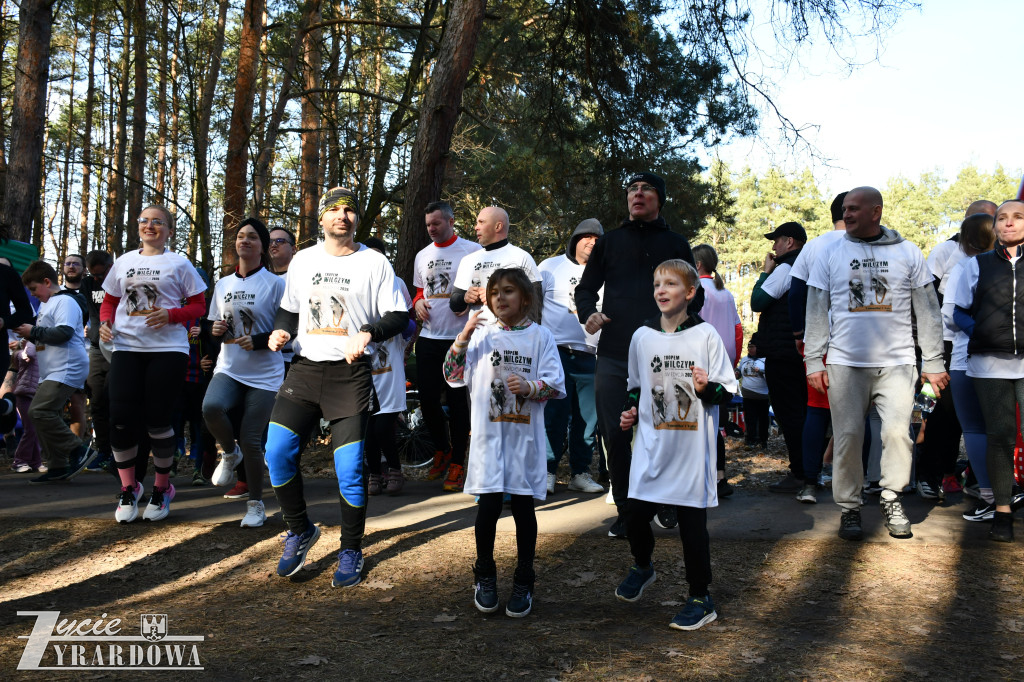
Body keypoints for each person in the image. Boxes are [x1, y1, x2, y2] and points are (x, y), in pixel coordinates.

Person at [264, 187, 408, 586]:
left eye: (349, 210)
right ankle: (299, 530)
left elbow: (399, 315)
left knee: (349, 469)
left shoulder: (374, 262)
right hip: (305, 370)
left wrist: (369, 331)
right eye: (334, 209)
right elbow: (289, 310)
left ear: (356, 219)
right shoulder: (303, 260)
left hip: (350, 375)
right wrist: (281, 330)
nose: (342, 215)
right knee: (276, 452)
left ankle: (351, 549)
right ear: (322, 219)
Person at [805, 186, 948, 540]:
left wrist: (933, 361)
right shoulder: (830, 253)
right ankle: (850, 508)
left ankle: (891, 496)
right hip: (845, 363)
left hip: (898, 362)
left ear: (876, 211)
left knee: (898, 433)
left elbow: (928, 311)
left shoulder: (907, 252)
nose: (847, 213)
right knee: (848, 436)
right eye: (845, 208)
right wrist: (813, 361)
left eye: (854, 208)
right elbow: (816, 310)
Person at [575, 172, 704, 538]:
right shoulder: (610, 242)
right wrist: (589, 313)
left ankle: (664, 500)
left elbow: (697, 295)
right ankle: (626, 510)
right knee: (615, 434)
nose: (638, 193)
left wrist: (680, 322)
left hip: (664, 355)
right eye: (632, 189)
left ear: (659, 199)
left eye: (646, 189)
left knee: (662, 428)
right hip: (615, 352)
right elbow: (585, 290)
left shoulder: (675, 243)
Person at [614, 259, 736, 631]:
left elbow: (727, 392)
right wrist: (630, 412)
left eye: (670, 284)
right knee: (634, 514)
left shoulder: (706, 336)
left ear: (691, 292)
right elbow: (636, 387)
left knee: (692, 527)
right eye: (657, 284)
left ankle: (700, 598)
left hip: (691, 452)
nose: (661, 290)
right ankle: (643, 566)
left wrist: (705, 388)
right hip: (652, 448)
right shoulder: (642, 336)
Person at [443, 267, 565, 618]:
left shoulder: (541, 337)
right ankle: (484, 574)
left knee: (524, 509)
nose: (500, 298)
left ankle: (524, 578)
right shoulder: (481, 335)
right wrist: (464, 334)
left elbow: (556, 385)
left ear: (525, 298)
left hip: (524, 441)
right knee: (488, 507)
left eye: (508, 291)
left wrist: (530, 387)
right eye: (494, 292)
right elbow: (452, 375)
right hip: (489, 441)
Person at [99, 204, 208, 522]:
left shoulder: (179, 263)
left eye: (158, 222)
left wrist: (171, 314)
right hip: (126, 347)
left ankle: (162, 488)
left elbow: (198, 306)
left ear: (169, 230)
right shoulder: (124, 262)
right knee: (120, 419)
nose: (150, 225)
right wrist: (105, 323)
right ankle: (129, 488)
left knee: (158, 420)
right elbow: (110, 301)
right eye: (144, 220)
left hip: (168, 349)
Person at [949, 199, 1024, 541]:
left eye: (1017, 217)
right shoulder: (976, 265)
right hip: (989, 365)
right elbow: (958, 311)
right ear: (995, 228)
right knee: (999, 435)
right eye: (1002, 218)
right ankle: (1002, 513)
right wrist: (979, 331)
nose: (1009, 223)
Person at [202, 217, 285, 528]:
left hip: (265, 373)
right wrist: (215, 330)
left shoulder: (276, 284)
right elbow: (213, 328)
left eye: (252, 236)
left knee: (251, 438)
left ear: (262, 246)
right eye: (240, 236)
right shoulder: (223, 284)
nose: (245, 241)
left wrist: (260, 341)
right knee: (211, 407)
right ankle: (229, 452)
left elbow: (289, 328)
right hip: (230, 367)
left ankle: (256, 504)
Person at [917, 200, 998, 498]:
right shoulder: (945, 252)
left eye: (991, 220)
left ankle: (977, 479)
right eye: (980, 220)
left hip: (990, 351)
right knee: (934, 412)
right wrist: (928, 350)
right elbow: (928, 301)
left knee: (984, 419)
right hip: (944, 348)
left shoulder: (1003, 261)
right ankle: (929, 475)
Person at [412, 201, 481, 491]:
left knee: (457, 403)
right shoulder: (423, 255)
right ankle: (442, 449)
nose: (431, 228)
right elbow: (419, 291)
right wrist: (417, 303)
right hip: (429, 337)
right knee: (427, 400)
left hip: (459, 339)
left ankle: (458, 464)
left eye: (436, 223)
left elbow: (482, 288)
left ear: (451, 222)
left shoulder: (471, 251)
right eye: (428, 224)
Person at [538, 218, 605, 495]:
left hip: (591, 355)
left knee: (587, 420)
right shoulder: (549, 266)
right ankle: (547, 471)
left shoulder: (606, 272)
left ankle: (580, 472)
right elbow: (533, 305)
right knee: (553, 415)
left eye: (597, 239)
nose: (591, 242)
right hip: (556, 352)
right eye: (586, 236)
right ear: (575, 239)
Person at [16, 260, 95, 482]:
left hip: (67, 367)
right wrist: (30, 335)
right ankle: (57, 465)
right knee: (49, 414)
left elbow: (64, 333)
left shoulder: (65, 301)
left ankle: (78, 449)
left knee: (39, 411)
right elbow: (46, 335)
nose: (33, 294)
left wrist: (33, 331)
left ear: (47, 282)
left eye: (34, 289)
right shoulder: (48, 303)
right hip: (51, 369)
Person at [941, 213, 997, 521]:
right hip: (1008, 358)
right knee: (1000, 428)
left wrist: (980, 330)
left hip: (968, 355)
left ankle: (990, 495)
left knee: (975, 428)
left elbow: (950, 315)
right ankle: (1003, 492)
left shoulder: (965, 267)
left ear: (965, 239)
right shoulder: (1008, 266)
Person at [750, 221, 807, 494]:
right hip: (799, 352)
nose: (774, 246)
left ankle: (800, 473)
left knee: (789, 413)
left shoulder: (785, 268)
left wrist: (765, 272)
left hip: (783, 354)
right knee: (802, 412)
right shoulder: (807, 265)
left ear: (790, 242)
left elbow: (757, 302)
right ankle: (808, 470)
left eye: (777, 240)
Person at [361, 236, 415, 496]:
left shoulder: (397, 282)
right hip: (364, 368)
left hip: (389, 368)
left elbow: (409, 323)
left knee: (383, 427)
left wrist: (402, 342)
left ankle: (394, 469)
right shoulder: (356, 282)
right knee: (368, 429)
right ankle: (374, 473)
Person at [692, 243, 742, 496]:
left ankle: (700, 478)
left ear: (697, 264)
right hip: (723, 365)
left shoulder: (696, 292)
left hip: (700, 363)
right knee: (717, 425)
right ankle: (720, 477)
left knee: (699, 422)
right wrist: (732, 363)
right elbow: (737, 330)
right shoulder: (726, 293)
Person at [449, 206, 543, 324]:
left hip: (511, 333)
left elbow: (535, 306)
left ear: (498, 226)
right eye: (477, 223)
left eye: (481, 222)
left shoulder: (521, 257)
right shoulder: (468, 260)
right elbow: (454, 306)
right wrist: (464, 297)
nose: (476, 227)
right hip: (477, 335)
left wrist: (496, 297)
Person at [80, 249, 115, 472]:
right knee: (97, 400)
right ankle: (103, 451)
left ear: (111, 267)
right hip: (96, 347)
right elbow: (89, 313)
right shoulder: (87, 284)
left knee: (117, 400)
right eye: (93, 275)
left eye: (101, 275)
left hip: (120, 348)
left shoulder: (121, 281)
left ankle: (120, 452)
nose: (97, 279)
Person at [738, 335, 769, 448]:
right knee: (750, 418)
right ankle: (750, 440)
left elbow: (771, 374)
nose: (749, 349)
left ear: (758, 347)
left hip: (762, 395)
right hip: (748, 395)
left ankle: (763, 440)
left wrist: (760, 371)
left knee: (763, 419)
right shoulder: (744, 359)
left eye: (752, 347)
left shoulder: (765, 359)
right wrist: (736, 373)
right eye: (748, 347)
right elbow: (739, 371)